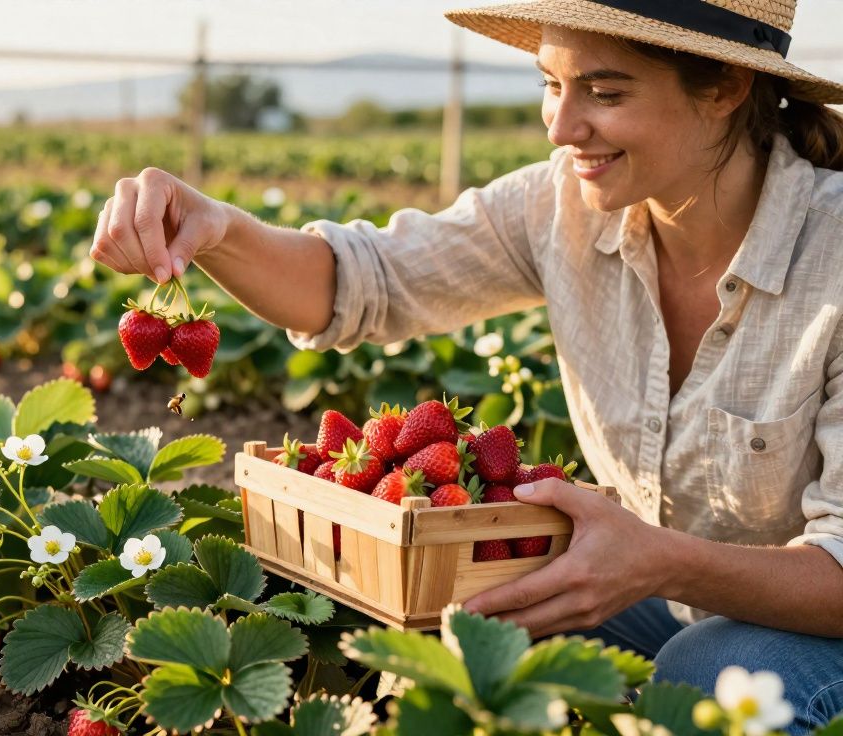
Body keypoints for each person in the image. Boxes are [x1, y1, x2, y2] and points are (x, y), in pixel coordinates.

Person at [90, 0, 843, 730]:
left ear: (725, 86)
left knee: (712, 673)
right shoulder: (562, 208)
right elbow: (360, 282)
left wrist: (659, 563)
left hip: (810, 630)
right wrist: (217, 229)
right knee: (458, 610)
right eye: (552, 84)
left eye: (605, 92)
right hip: (672, 602)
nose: (560, 125)